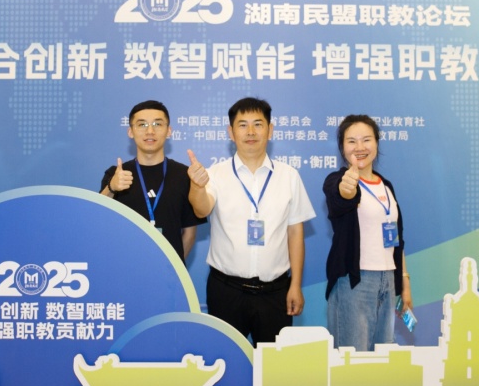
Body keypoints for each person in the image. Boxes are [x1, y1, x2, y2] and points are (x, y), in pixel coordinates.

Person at [186, 97, 316, 345]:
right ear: (231, 132)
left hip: (276, 292)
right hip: (226, 291)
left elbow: (295, 233)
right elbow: (201, 210)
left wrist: (295, 285)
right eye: (243, 125)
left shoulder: (289, 176)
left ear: (270, 129)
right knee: (225, 360)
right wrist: (197, 186)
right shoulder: (215, 174)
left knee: (274, 366)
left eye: (258, 124)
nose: (251, 132)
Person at [323, 114, 412, 351]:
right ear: (342, 148)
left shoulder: (386, 186)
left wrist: (404, 283)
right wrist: (347, 187)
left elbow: (396, 239)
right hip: (355, 282)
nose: (360, 147)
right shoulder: (336, 180)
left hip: (388, 281)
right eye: (351, 141)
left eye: (366, 140)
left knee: (382, 359)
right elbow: (342, 196)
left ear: (377, 143)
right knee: (352, 361)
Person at [101, 100, 204, 263]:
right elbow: (98, 215)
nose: (150, 131)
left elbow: (189, 233)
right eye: (142, 125)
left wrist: (172, 269)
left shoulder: (184, 175)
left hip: (169, 273)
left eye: (157, 124)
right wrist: (111, 187)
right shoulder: (116, 174)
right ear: (130, 132)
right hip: (123, 269)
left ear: (169, 131)